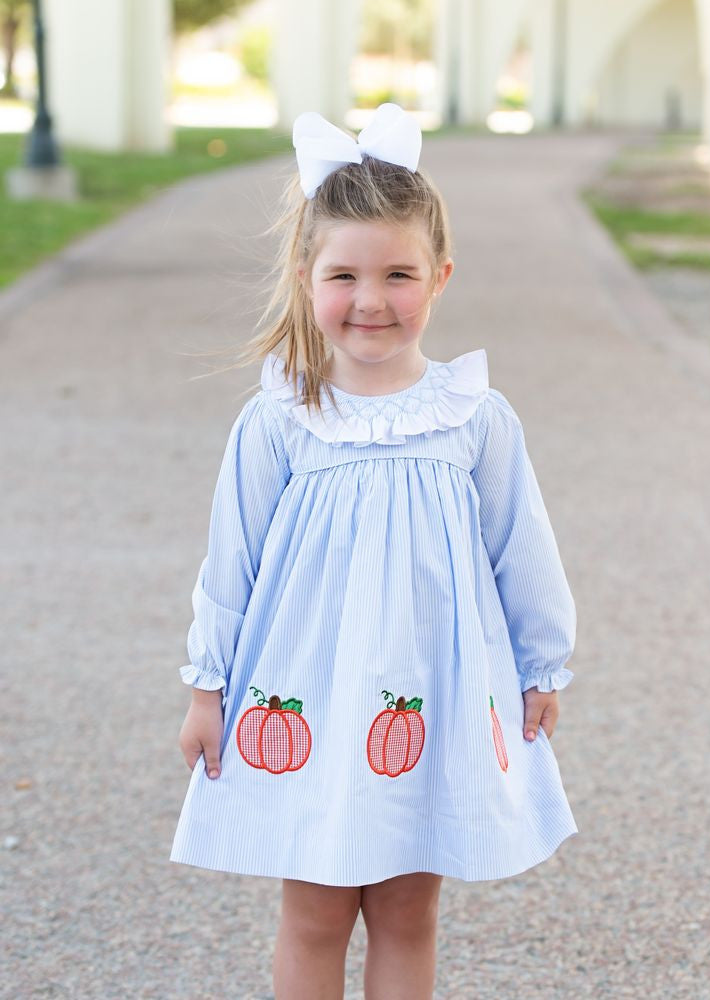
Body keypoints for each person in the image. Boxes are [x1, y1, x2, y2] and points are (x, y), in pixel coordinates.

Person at [171, 103, 578, 1000]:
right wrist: (209, 688)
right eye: (344, 274)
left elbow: (523, 548)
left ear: (439, 276)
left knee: (406, 908)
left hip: (427, 695)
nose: (370, 300)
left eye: (398, 274)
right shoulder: (280, 419)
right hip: (308, 690)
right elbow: (228, 562)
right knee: (315, 911)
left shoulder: (473, 416)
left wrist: (542, 665)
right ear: (307, 277)